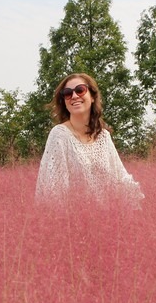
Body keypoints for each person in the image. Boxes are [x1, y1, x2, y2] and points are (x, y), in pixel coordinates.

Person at [35, 73, 143, 207]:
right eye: (67, 93)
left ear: (92, 97)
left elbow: (121, 180)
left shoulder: (103, 136)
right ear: (64, 101)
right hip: (74, 222)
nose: (74, 96)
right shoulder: (60, 135)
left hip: (108, 220)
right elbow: (53, 189)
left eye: (80, 90)